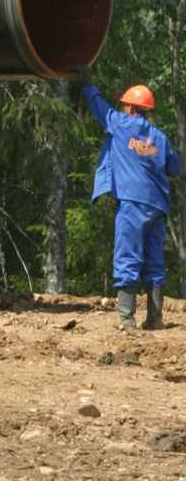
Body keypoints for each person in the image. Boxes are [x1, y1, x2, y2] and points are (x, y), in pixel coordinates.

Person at [78, 65, 181, 329]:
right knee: (154, 261)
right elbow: (175, 168)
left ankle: (126, 320)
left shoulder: (121, 124)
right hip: (158, 207)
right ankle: (155, 320)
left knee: (128, 257)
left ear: (131, 107)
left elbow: (98, 107)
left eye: (125, 105)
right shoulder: (160, 137)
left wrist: (86, 83)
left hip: (132, 204)